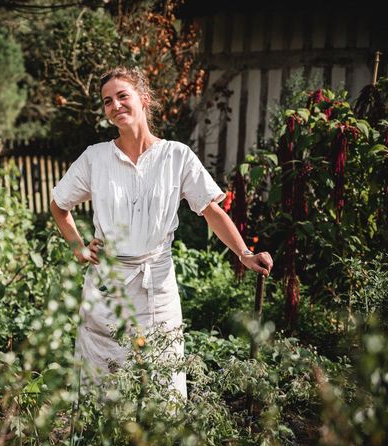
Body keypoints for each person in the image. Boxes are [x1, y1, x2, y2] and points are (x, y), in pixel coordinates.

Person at [50, 66, 273, 398]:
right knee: (105, 385)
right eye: (107, 101)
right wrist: (78, 248)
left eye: (122, 96)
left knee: (162, 378)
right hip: (107, 286)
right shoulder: (95, 158)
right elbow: (59, 205)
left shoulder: (176, 156)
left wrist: (244, 253)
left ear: (144, 99)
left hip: (158, 283)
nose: (115, 105)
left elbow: (211, 210)